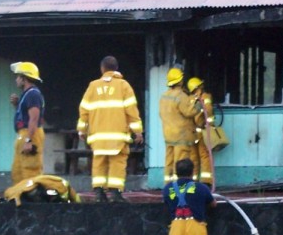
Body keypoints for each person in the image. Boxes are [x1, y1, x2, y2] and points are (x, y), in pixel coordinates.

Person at [77, 55, 144, 202]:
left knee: (99, 162)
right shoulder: (124, 86)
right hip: (117, 137)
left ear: (102, 69)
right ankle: (115, 193)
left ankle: (99, 193)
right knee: (117, 163)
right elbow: (132, 111)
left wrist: (82, 129)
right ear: (116, 69)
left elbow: (84, 110)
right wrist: (137, 132)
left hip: (98, 137)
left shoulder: (93, 86)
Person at [160, 67, 201, 184]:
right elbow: (189, 112)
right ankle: (180, 188)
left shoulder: (164, 96)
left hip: (168, 135)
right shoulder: (181, 96)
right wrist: (198, 106)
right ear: (180, 81)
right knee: (181, 164)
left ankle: (168, 186)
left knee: (169, 162)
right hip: (181, 136)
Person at [9, 61, 45, 186]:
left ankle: (33, 203)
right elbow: (26, 116)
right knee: (18, 172)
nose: (16, 80)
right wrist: (17, 104)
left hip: (30, 134)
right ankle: (21, 198)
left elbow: (33, 119)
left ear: (24, 79)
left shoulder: (33, 94)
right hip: (23, 134)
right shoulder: (27, 95)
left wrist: (29, 140)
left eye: (18, 77)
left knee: (30, 172)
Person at [188, 76, 215, 186]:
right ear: (199, 87)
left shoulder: (189, 99)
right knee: (205, 156)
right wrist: (211, 125)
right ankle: (206, 182)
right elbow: (208, 112)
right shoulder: (205, 97)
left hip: (191, 133)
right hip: (202, 132)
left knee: (193, 157)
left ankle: (193, 180)